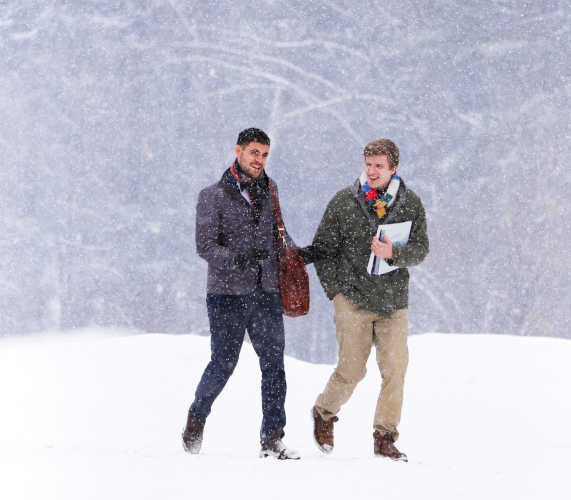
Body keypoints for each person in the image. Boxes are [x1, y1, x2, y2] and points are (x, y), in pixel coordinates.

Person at [181, 128, 326, 460]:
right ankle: (197, 416)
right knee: (223, 363)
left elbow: (280, 235)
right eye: (254, 153)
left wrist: (300, 254)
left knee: (274, 365)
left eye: (264, 155)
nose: (259, 160)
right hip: (227, 295)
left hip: (267, 292)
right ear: (239, 151)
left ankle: (272, 437)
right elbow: (204, 247)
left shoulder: (271, 188)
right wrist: (237, 260)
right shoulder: (212, 195)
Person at [310, 138, 429, 462]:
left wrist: (395, 254)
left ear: (393, 169)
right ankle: (324, 413)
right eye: (369, 164)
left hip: (393, 302)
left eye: (379, 166)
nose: (372, 171)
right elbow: (322, 251)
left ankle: (385, 437)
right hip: (352, 298)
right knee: (352, 369)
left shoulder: (409, 203)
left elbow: (421, 249)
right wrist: (334, 292)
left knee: (395, 369)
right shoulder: (344, 202)